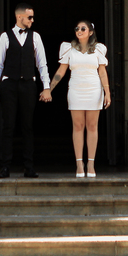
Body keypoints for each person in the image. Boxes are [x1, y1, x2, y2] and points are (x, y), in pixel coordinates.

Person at [0, 3, 52, 178]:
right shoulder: (5, 36)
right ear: (19, 17)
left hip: (28, 85)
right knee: (8, 126)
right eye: (29, 17)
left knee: (27, 126)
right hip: (8, 85)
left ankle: (28, 166)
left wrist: (46, 87)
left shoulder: (35, 37)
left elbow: (42, 64)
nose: (32, 20)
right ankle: (5, 166)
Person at [48, 19, 110, 178]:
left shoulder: (98, 49)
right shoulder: (68, 49)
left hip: (94, 89)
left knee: (92, 126)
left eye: (83, 28)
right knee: (78, 125)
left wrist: (107, 92)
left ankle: (91, 163)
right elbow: (61, 71)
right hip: (76, 89)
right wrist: (49, 88)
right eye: (77, 28)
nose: (79, 30)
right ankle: (79, 164)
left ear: (90, 32)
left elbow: (102, 72)